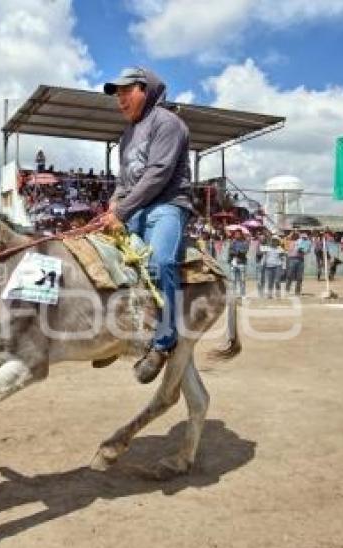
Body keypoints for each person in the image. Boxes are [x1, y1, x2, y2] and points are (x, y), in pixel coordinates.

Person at [103, 67, 193, 383]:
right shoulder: (127, 135)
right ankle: (116, 334)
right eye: (117, 94)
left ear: (146, 90)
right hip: (135, 209)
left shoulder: (168, 124)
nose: (121, 99)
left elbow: (158, 173)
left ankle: (164, 341)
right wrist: (114, 203)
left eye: (127, 91)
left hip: (167, 206)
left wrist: (123, 210)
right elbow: (124, 180)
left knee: (161, 262)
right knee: (104, 261)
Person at [228, 230, 249, 298]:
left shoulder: (245, 242)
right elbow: (230, 251)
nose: (237, 235)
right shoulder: (232, 242)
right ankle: (234, 294)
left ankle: (242, 294)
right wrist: (237, 252)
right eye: (236, 234)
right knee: (233, 280)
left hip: (242, 263)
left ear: (241, 235)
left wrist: (237, 252)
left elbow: (244, 251)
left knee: (242, 280)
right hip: (233, 262)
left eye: (238, 234)